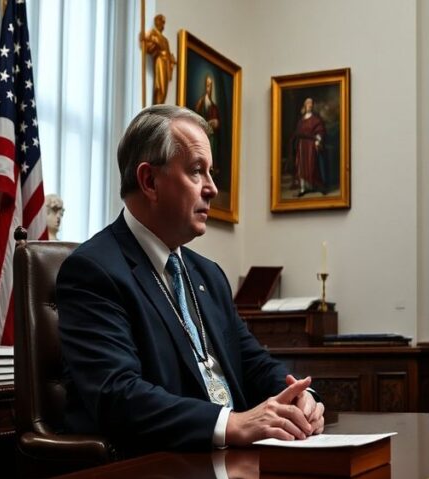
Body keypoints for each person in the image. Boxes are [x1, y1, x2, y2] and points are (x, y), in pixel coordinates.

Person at [57, 105, 324, 456]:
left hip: (232, 462)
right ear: (149, 181)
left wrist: (301, 397)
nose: (212, 188)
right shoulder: (95, 270)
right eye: (197, 171)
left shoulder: (208, 275)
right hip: (161, 471)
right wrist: (232, 424)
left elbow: (252, 363)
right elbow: (117, 395)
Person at [291, 97, 326, 197]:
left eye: (311, 103)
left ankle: (314, 186)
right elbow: (297, 132)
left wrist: (318, 141)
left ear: (313, 106)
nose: (309, 105)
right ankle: (303, 188)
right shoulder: (301, 120)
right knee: (301, 166)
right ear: (305, 105)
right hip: (302, 145)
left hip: (311, 145)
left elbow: (320, 131)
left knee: (312, 165)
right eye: (307, 103)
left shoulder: (316, 119)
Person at [194, 75, 222, 181]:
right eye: (207, 86)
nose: (208, 89)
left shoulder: (214, 106)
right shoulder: (200, 104)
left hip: (212, 139)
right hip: (202, 138)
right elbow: (196, 120)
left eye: (210, 86)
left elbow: (218, 123)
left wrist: (217, 123)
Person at [141, 14, 175, 105]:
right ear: (157, 22)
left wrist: (172, 60)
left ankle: (160, 105)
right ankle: (157, 105)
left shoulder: (165, 40)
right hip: (160, 61)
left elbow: (168, 54)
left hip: (166, 63)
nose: (163, 25)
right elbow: (148, 45)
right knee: (159, 86)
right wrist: (145, 39)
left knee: (164, 89)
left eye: (163, 23)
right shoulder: (153, 33)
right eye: (161, 22)